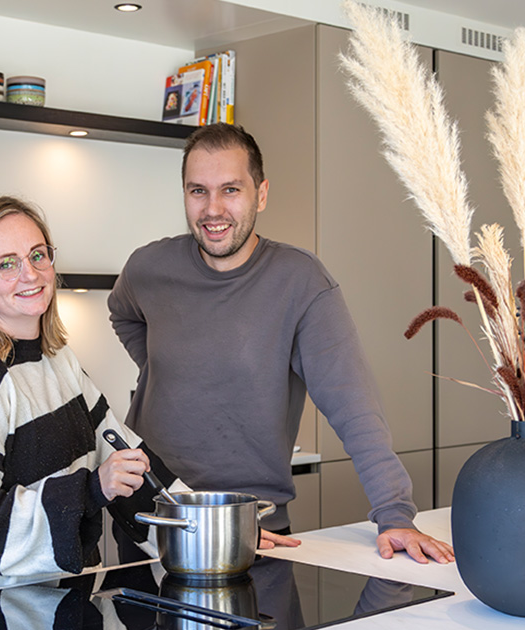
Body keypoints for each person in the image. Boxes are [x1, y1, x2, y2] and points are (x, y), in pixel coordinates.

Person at [107, 124, 454, 564]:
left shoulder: (301, 282)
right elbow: (123, 314)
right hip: (149, 517)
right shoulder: (148, 267)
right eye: (198, 191)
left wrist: (395, 513)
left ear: (261, 193)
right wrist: (159, 369)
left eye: (230, 189)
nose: (213, 209)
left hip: (251, 530)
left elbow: (353, 406)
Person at [0, 196, 291, 597]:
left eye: (38, 255)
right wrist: (93, 488)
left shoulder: (57, 360)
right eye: (6, 264)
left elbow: (128, 459)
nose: (30, 274)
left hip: (62, 603)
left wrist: (215, 531)